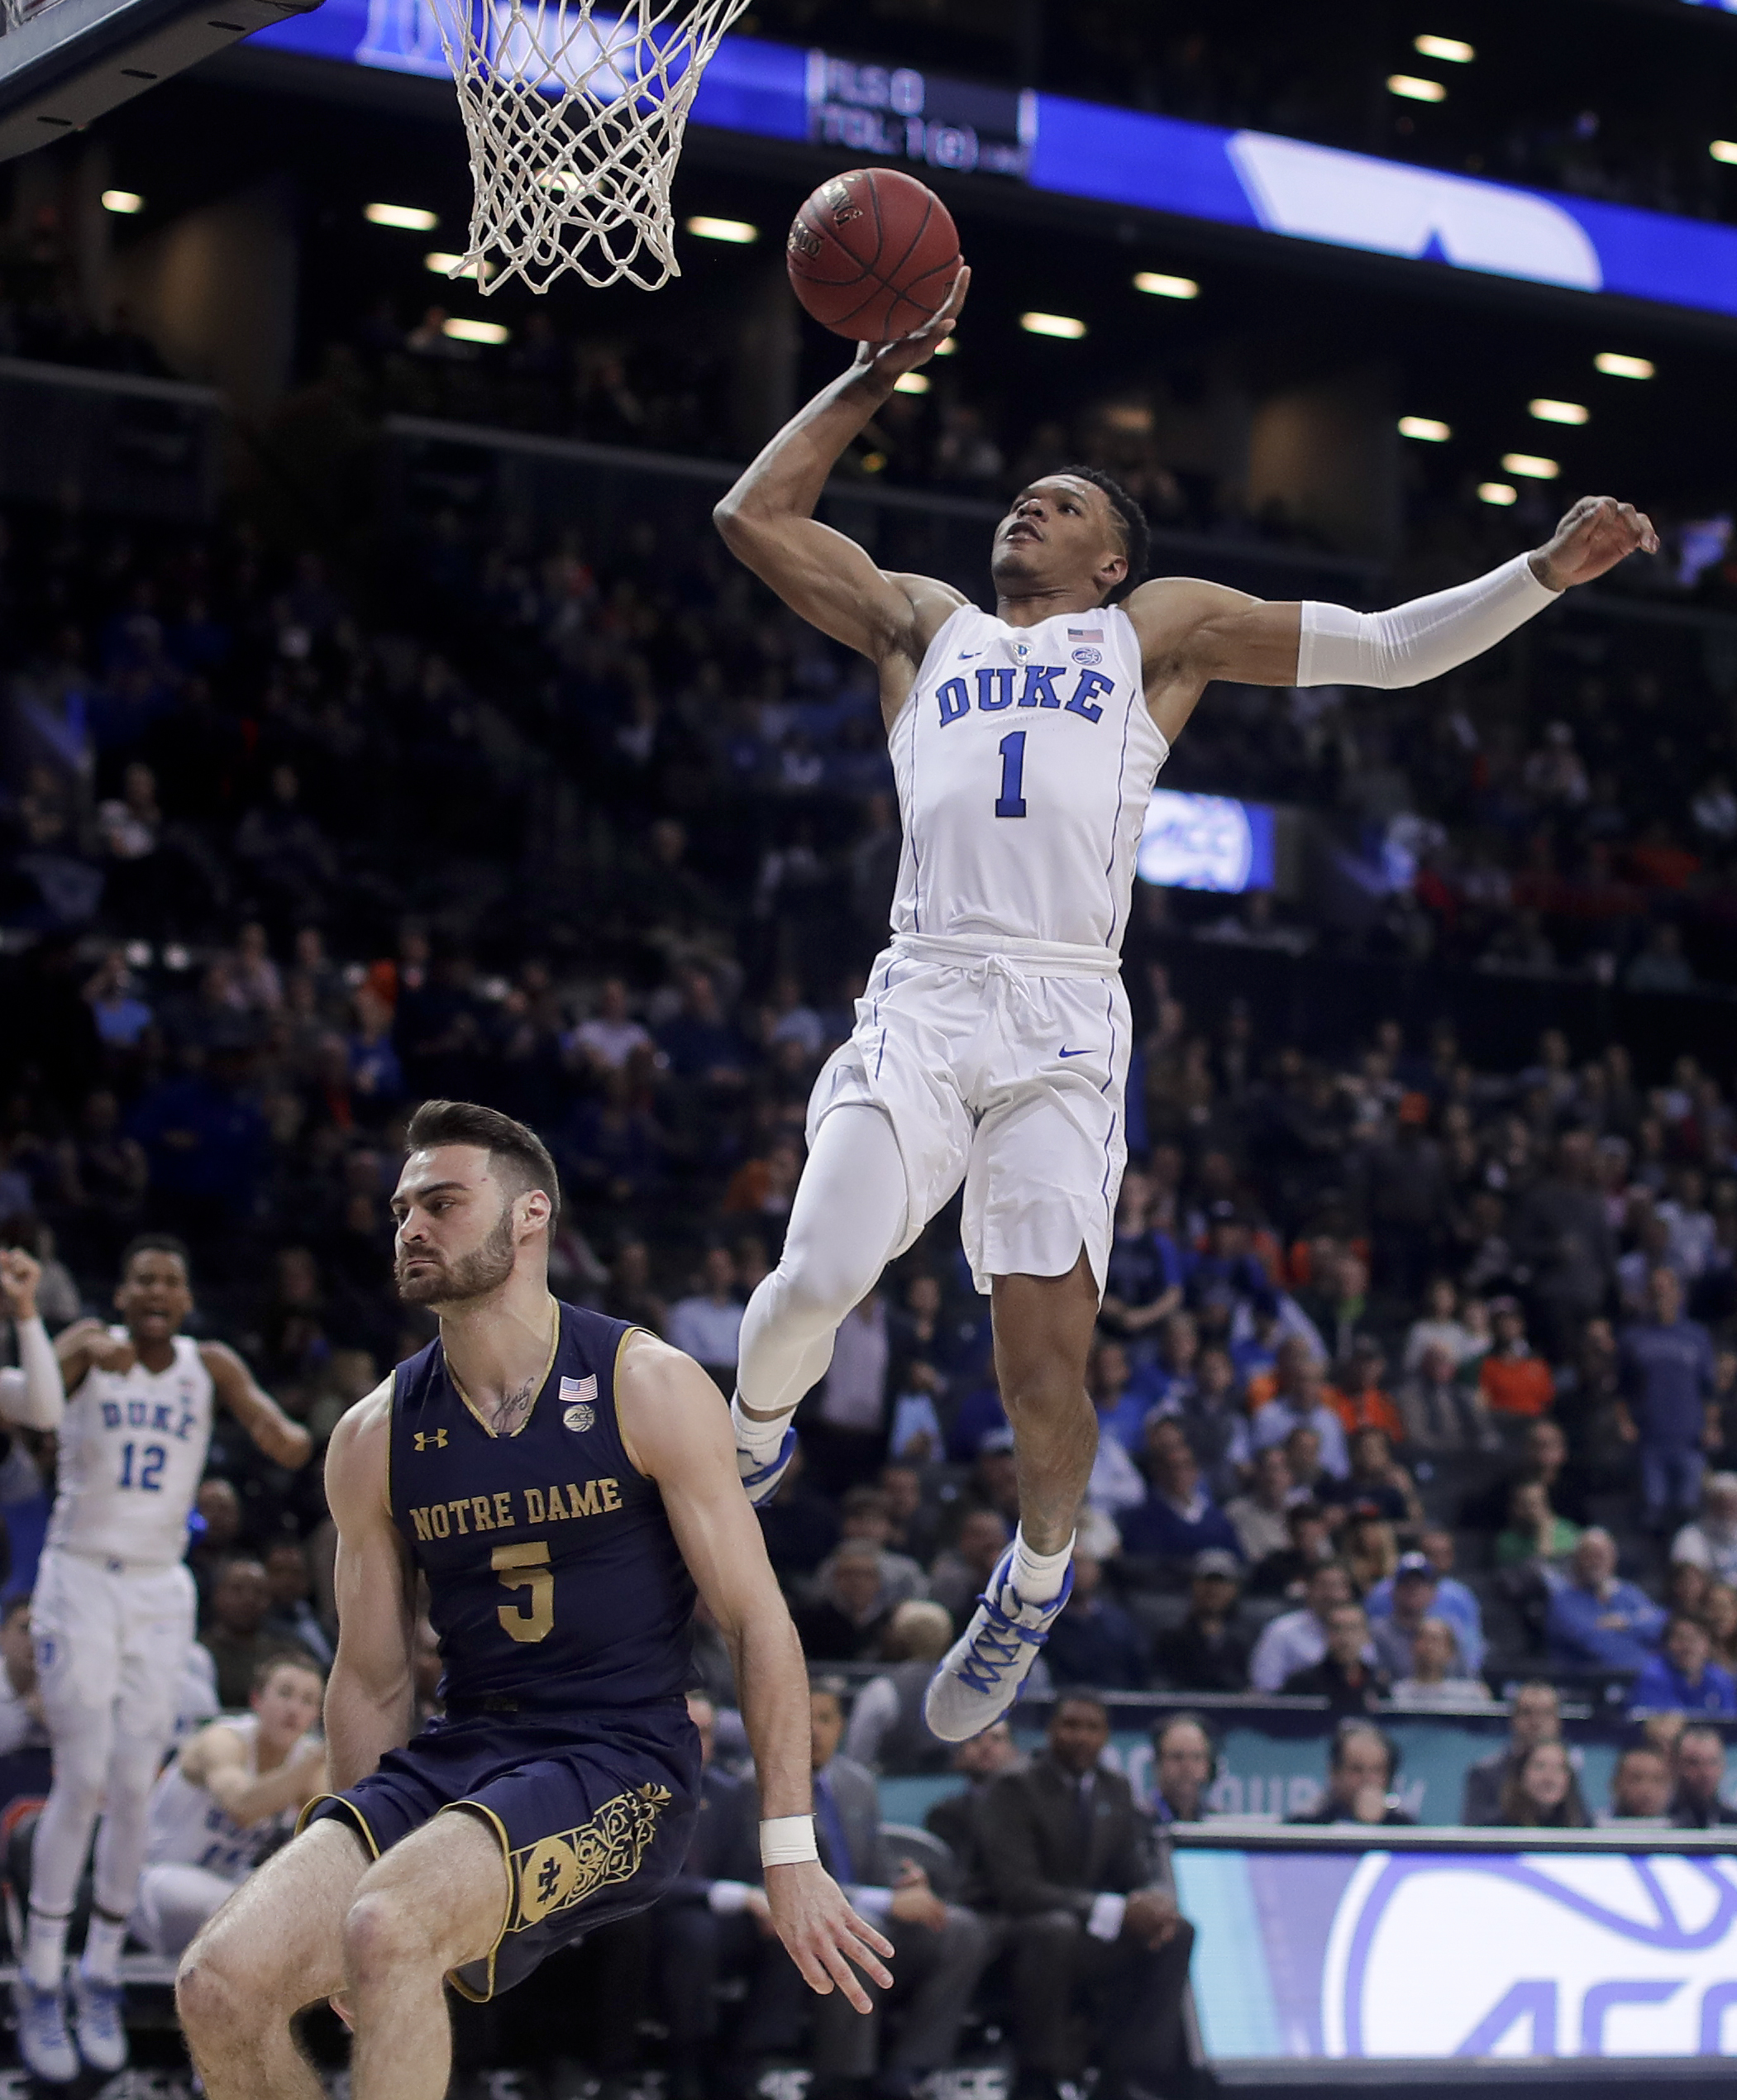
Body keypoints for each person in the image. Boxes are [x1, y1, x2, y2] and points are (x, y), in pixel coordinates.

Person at [711, 260, 1658, 1739]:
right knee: (816, 1278)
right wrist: (876, 368)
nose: (1031, 504)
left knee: (1044, 1366)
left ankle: (1035, 1575)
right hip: (926, 989)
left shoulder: (1152, 632)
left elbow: (1394, 652)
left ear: (1110, 561)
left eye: (1066, 501)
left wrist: (1538, 573)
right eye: (1023, 492)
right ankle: (754, 1435)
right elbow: (751, 520)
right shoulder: (923, 623)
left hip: (1067, 1022)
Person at [174, 1102, 889, 2100]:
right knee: (216, 1986)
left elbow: (756, 1618)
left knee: (388, 1924)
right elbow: (373, 1677)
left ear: (528, 1218)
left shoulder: (647, 1382)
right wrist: (347, 1850)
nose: (411, 1227)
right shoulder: (373, 1433)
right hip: (464, 1752)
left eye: (442, 1202)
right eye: (400, 1209)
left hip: (621, 1759)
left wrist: (789, 1845)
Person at [19, 1236, 310, 2084]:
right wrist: (68, 1349)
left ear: (186, 1299)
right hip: (79, 1576)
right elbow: (34, 1404)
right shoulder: (83, 1346)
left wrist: (299, 1434)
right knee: (83, 1775)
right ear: (122, 1289)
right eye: (142, 1277)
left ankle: (100, 1968)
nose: (156, 1290)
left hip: (159, 1587)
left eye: (171, 1280)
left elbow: (280, 1433)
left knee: (135, 1773)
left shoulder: (208, 1362)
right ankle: (43, 1972)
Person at [975, 1695, 1196, 2100]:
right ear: (1051, 1731)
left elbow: (1136, 1872)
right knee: (1056, 1931)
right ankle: (1038, 2075)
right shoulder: (1014, 1786)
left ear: (1106, 1737)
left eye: (1092, 1728)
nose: (1080, 1737)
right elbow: (1016, 1889)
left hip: (1087, 1934)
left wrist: (1154, 1901)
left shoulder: (1115, 1788)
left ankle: (1130, 2075)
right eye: (1070, 1726)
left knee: (1176, 1931)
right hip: (1017, 1930)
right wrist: (1110, 1908)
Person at [799, 1682, 993, 2100]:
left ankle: (910, 2070)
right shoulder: (764, 1784)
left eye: (825, 1718)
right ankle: (846, 2079)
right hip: (801, 1927)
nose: (813, 1730)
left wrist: (905, 1882)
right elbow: (781, 1883)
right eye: (804, 1718)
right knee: (858, 1927)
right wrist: (889, 1901)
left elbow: (875, 1863)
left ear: (842, 1727)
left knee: (959, 1927)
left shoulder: (858, 1784)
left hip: (865, 1912)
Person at [132, 1652, 327, 1959]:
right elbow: (241, 1806)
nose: (294, 1709)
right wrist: (318, 1759)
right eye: (285, 1693)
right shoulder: (222, 1740)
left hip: (227, 1885)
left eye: (307, 1701)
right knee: (248, 1908)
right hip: (156, 1884)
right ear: (257, 1700)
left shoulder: (306, 1762)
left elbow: (328, 1836)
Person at [1618, 1267, 1720, 1531]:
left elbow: (1709, 1389)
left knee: (1688, 1507)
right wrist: (1624, 1422)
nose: (1660, 1295)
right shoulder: (1633, 1337)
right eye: (1654, 1290)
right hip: (1649, 1437)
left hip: (1689, 1438)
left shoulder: (1696, 1336)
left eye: (1666, 1289)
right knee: (1654, 1507)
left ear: (1678, 1294)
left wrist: (1710, 1426)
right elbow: (1621, 1389)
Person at [842, 1601, 957, 1773]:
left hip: (891, 1792)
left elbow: (856, 1761)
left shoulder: (881, 1690)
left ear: (899, 1639)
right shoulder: (967, 1687)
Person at [1544, 1528, 1668, 1673]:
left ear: (1613, 1559)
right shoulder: (1562, 1602)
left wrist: (1627, 1623)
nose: (1596, 1562)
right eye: (1589, 1556)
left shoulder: (1627, 1592)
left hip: (1636, 1683)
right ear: (1576, 1560)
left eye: (1602, 1555)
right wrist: (1647, 1650)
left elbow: (1664, 1625)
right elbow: (1597, 1645)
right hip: (1585, 1685)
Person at [1042, 1553, 1148, 1692]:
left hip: (1116, 1700)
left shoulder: (1118, 1621)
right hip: (1062, 1701)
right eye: (1072, 1565)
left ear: (1097, 1570)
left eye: (1084, 1564)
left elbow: (1137, 1667)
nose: (1079, 1572)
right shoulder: (1044, 1622)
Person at [1150, 1549, 1251, 1693]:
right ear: (1194, 1584)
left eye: (1221, 1582)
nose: (1213, 1589)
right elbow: (1161, 1680)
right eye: (1207, 1581)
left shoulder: (1246, 1636)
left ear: (1234, 1588)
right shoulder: (1171, 1634)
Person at [1249, 1560, 1358, 1692]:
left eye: (1337, 1586)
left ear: (1348, 1591)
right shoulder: (1281, 1631)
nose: (1330, 1594)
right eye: (1323, 1586)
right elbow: (1265, 1687)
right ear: (1309, 1589)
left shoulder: (1364, 1629)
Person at [1462, 1682, 1563, 1824]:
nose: (1536, 1722)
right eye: (1527, 1713)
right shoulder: (1485, 1774)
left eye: (1545, 1713)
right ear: (1513, 1719)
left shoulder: (1566, 1771)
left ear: (1558, 1722)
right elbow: (1475, 1830)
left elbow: (1582, 1825)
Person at [1288, 1721, 1415, 1827]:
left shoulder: (1404, 1827)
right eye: (1356, 1770)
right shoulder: (1307, 1824)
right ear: (1334, 1772)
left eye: (1377, 1770)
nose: (1368, 1780)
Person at [1281, 1601, 1390, 1711]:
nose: (1345, 1637)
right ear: (1326, 1634)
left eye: (1352, 1628)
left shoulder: (1377, 1685)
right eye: (1337, 1628)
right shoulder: (1302, 1684)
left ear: (1366, 1636)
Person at [1628, 1614, 1737, 1717]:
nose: (1688, 1647)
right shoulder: (1653, 1676)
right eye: (1681, 1638)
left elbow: (1730, 1723)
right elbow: (1659, 1729)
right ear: (1666, 1645)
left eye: (1695, 1639)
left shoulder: (1721, 1680)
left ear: (1709, 1646)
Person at [1389, 1618, 1491, 1707]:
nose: (1428, 1646)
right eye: (1423, 1638)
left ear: (1450, 1651)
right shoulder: (1396, 1693)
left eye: (1435, 1640)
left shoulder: (1471, 1696)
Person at [1493, 1740, 1591, 1829]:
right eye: (1540, 1766)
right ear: (1520, 1775)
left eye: (1559, 1768)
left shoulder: (1583, 1830)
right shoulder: (1497, 1831)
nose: (1549, 1778)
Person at [1671, 1472, 1737, 1586]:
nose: (1727, 1509)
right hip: (1709, 1600)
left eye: (1732, 1503)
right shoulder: (1690, 1535)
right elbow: (1687, 1580)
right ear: (1709, 1505)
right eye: (1721, 1503)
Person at [1148, 1712, 1216, 1824]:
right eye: (1177, 1757)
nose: (1187, 1768)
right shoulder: (1135, 1824)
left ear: (1208, 1765)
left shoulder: (1217, 1823)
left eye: (1196, 1757)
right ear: (1157, 1763)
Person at [1670, 1724, 1737, 1828]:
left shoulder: (1733, 1823)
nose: (1705, 1773)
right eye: (1694, 1763)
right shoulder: (1658, 1820)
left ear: (1723, 1765)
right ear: (1676, 1765)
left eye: (1712, 1762)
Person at [1601, 1743, 1674, 1825]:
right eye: (1636, 1779)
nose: (1646, 1789)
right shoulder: (1595, 1828)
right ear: (1617, 1784)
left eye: (1657, 1780)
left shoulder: (1683, 1830)